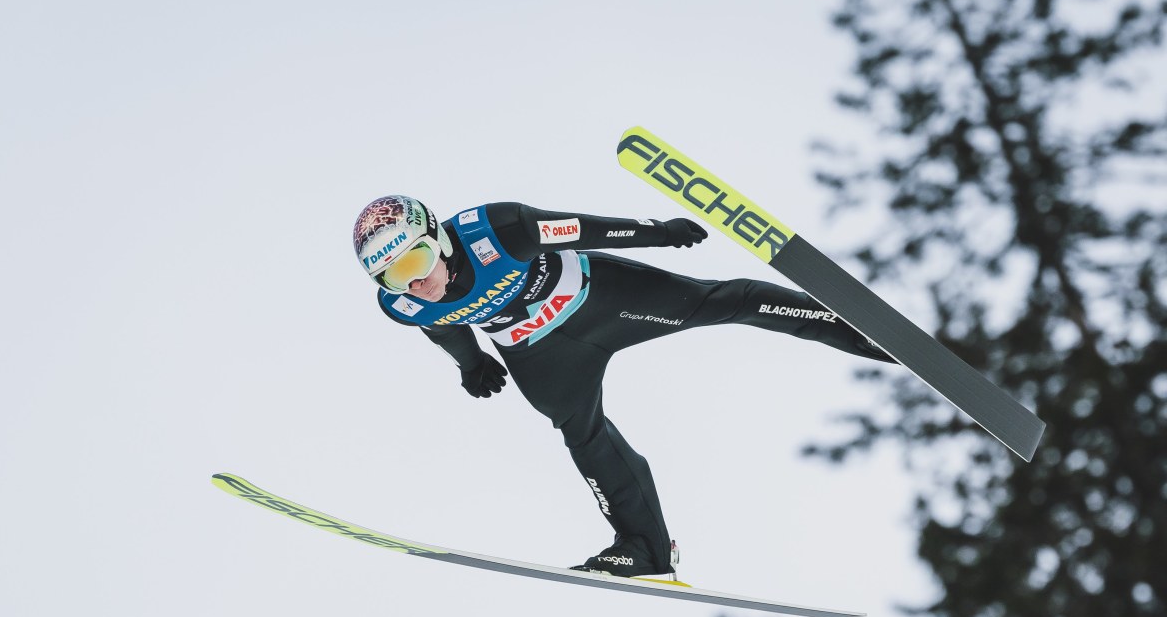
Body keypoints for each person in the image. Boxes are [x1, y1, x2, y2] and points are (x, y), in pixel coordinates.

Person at [352, 194, 894, 579]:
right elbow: (440, 325)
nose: (417, 283)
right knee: (583, 436)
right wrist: (470, 364)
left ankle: (871, 339)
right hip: (539, 354)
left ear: (440, 241)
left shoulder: (497, 230)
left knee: (729, 301)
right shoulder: (403, 303)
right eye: (396, 276)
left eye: (419, 261)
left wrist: (660, 232)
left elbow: (584, 228)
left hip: (602, 300)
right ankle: (645, 550)